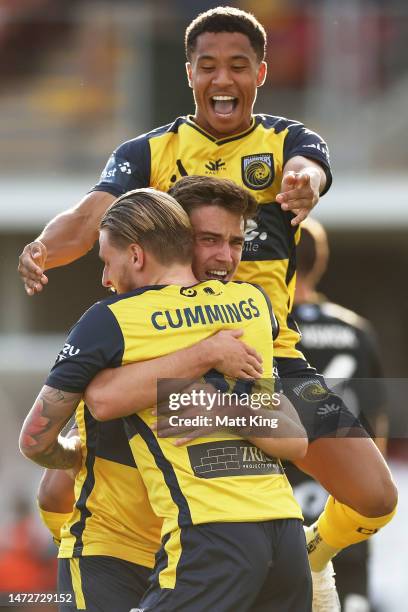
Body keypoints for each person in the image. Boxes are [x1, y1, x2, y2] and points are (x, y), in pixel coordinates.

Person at [17, 6, 397, 610]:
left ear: (261, 73)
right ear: (189, 72)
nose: (223, 79)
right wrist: (44, 246)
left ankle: (308, 555)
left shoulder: (287, 142)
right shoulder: (152, 150)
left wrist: (304, 184)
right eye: (208, 66)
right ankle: (93, 572)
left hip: (269, 357)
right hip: (167, 352)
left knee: (376, 495)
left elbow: (308, 171)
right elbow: (91, 216)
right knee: (61, 491)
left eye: (238, 66)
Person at [20, 187, 311, 612]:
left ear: (136, 255)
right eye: (211, 240)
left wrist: (216, 406)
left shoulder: (114, 320)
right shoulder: (252, 305)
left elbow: (42, 436)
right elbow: (294, 439)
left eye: (235, 242)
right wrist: (207, 356)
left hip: (203, 533)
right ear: (185, 240)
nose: (227, 258)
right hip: (277, 532)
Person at [285, 218, 388, 612]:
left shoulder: (268, 331)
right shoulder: (357, 331)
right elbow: (375, 424)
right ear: (319, 263)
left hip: (280, 510)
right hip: (343, 506)